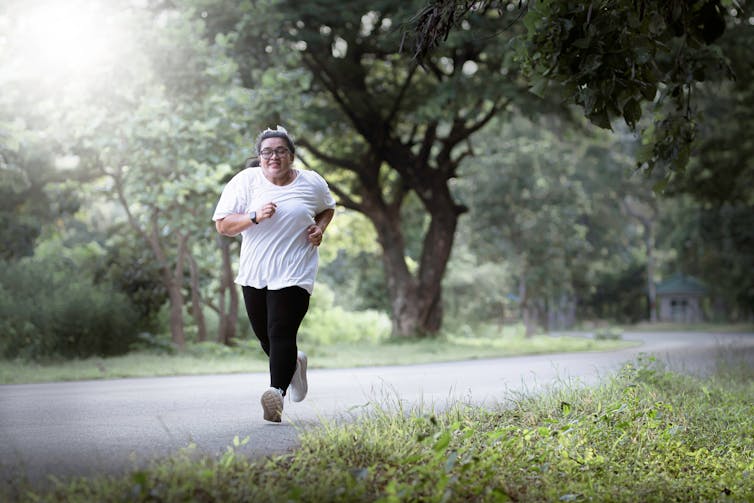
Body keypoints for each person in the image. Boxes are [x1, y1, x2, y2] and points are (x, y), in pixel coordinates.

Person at [213, 125, 336, 422]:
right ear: (259, 157)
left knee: (281, 330)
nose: (274, 156)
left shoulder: (311, 182)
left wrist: (319, 229)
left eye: (281, 151)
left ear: (291, 156)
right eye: (267, 151)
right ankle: (295, 363)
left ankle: (275, 395)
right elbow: (223, 225)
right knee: (266, 337)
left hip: (295, 271)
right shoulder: (245, 182)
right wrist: (254, 216)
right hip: (256, 272)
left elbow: (327, 208)